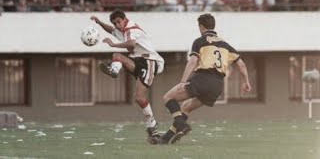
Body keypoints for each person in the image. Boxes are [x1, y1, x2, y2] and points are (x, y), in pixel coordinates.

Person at [151, 13, 251, 144]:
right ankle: (167, 138)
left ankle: (182, 126)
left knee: (169, 97)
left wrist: (183, 81)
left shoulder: (200, 41)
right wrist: (246, 82)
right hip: (218, 85)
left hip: (203, 78)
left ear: (201, 27)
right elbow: (241, 65)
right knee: (186, 107)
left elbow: (192, 61)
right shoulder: (226, 45)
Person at [90, 9, 165, 142]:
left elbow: (132, 43)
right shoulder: (123, 30)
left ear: (125, 19)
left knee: (139, 97)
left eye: (119, 21)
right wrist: (99, 22)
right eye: (115, 23)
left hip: (149, 62)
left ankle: (152, 126)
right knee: (117, 56)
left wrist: (113, 44)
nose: (117, 25)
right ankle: (114, 70)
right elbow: (112, 30)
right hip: (138, 61)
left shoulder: (131, 28)